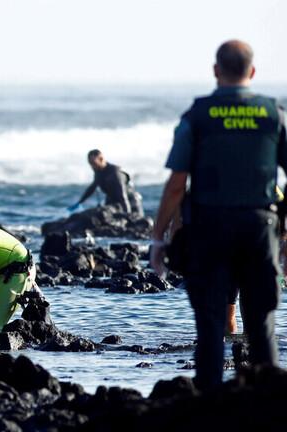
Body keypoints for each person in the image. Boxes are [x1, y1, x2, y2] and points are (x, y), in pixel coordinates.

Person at [150, 40, 285, 390]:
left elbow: (177, 184)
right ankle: (269, 404)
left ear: (215, 70)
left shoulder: (198, 115)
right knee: (262, 325)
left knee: (210, 325)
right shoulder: (273, 114)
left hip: (209, 229)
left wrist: (158, 238)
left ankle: (209, 403)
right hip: (259, 228)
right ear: (252, 71)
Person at [68, 150, 143, 216]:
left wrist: (128, 215)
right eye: (90, 163)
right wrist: (80, 202)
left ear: (101, 159)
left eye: (93, 163)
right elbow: (92, 188)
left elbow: (122, 197)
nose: (92, 166)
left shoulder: (115, 173)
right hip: (113, 201)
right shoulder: (98, 172)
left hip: (130, 203)